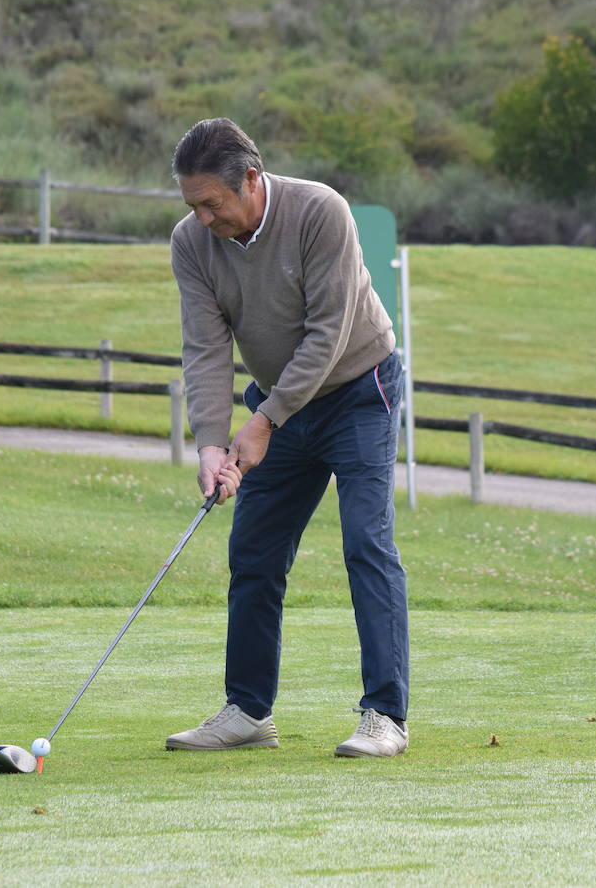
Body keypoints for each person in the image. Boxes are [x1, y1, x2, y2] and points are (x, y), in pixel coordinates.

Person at [163, 118, 410, 758]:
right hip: (277, 405)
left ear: (251, 179)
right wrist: (213, 444)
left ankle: (385, 715)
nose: (203, 219)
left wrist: (265, 421)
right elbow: (205, 349)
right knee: (254, 554)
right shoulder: (192, 243)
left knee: (366, 541)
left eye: (212, 205)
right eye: (192, 205)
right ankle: (248, 711)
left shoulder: (319, 210)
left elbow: (329, 333)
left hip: (360, 391)